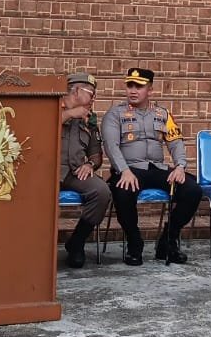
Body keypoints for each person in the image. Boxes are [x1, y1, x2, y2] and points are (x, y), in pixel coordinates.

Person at [103, 68, 203, 265]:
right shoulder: (115, 114)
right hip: (129, 170)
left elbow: (176, 142)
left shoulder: (163, 114)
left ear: (150, 90)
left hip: (157, 169)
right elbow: (111, 145)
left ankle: (168, 240)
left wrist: (180, 167)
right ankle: (134, 243)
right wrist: (124, 171)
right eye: (130, 85)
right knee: (122, 192)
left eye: (139, 86)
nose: (133, 90)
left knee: (192, 190)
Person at [59, 71, 109, 268]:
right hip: (48, 171)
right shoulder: (51, 108)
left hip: (74, 173)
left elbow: (96, 154)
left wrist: (90, 164)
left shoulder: (89, 120)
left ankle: (77, 242)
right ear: (77, 91)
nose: (94, 99)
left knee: (102, 191)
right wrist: (70, 114)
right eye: (91, 93)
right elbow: (39, 127)